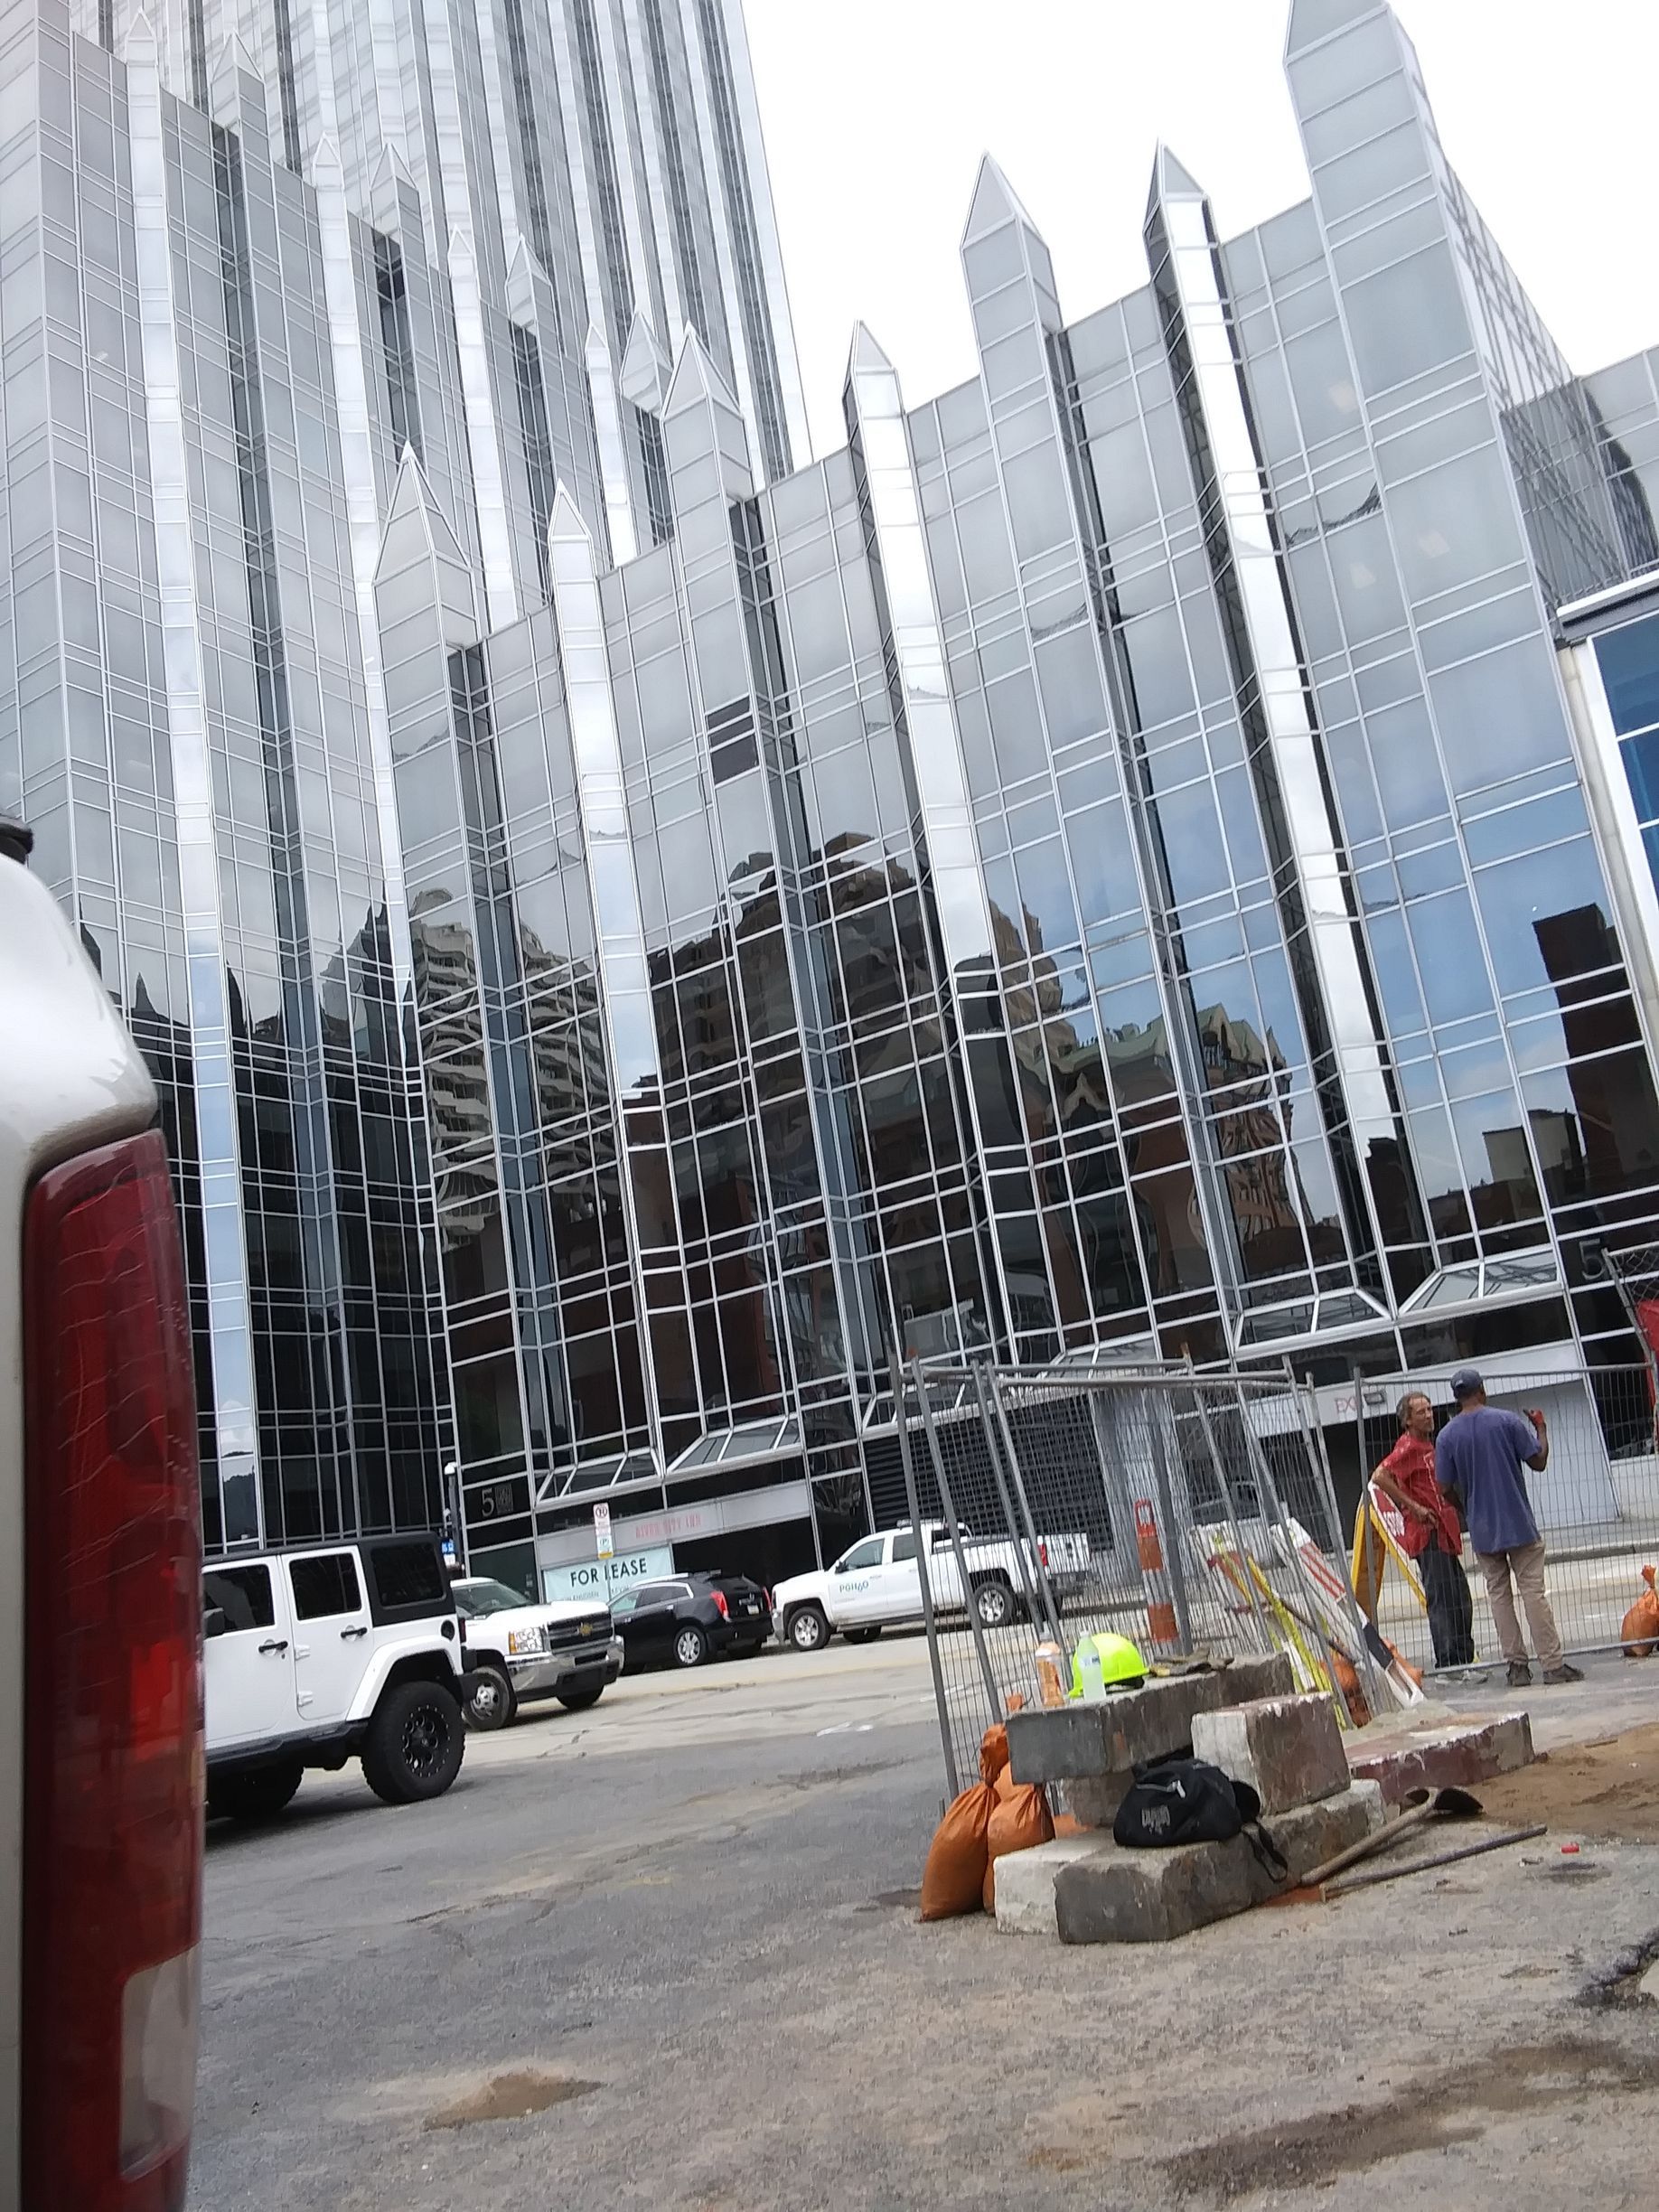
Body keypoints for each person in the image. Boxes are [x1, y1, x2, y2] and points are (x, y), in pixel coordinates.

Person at [1434, 1369, 1582, 1688]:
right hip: (1518, 1523)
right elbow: (1538, 1461)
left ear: (1457, 1397)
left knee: (1498, 1595)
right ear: (1482, 1391)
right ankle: (1553, 1665)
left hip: (1483, 1529)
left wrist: (1466, 1507)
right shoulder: (1506, 1422)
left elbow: (1443, 1486)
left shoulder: (1446, 1436)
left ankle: (1516, 1667)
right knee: (1533, 1593)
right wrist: (1541, 1427)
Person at [1369, 1391, 1475, 1669]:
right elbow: (1380, 1476)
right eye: (1421, 1412)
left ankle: (1464, 1657)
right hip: (1427, 1534)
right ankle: (1449, 1662)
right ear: (1407, 1420)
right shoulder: (1407, 1447)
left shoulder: (1431, 1446)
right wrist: (1413, 1506)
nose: (1429, 1415)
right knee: (1442, 1599)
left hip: (1444, 1530)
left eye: (1429, 1410)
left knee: (1459, 1597)